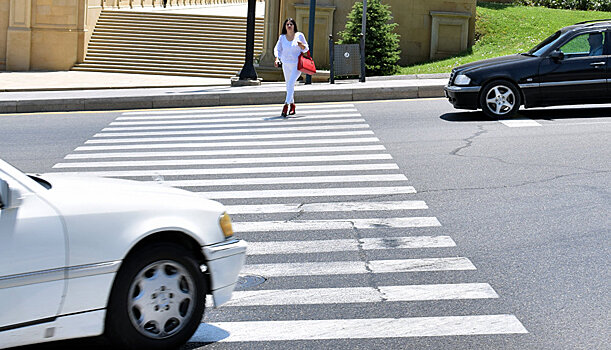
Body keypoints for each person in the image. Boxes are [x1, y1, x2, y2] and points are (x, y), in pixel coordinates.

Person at [274, 18, 309, 117]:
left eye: (291, 24)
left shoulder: (299, 35)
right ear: (285, 26)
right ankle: (292, 105)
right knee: (289, 85)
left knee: (291, 83)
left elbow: (306, 48)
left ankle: (286, 105)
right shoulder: (282, 37)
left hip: (296, 65)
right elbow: (278, 49)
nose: (289, 26)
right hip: (286, 64)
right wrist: (277, 58)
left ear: (294, 26)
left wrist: (301, 45)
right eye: (287, 24)